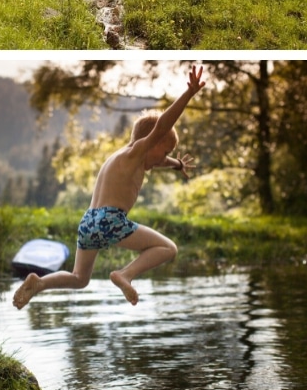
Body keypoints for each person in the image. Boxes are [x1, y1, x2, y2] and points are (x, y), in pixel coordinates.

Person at [13, 65, 207, 309]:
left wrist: (176, 164)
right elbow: (161, 127)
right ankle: (125, 274)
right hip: (110, 220)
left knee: (79, 278)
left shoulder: (122, 157)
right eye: (166, 150)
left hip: (88, 222)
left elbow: (157, 160)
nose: (165, 156)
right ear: (150, 142)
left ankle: (39, 283)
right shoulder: (137, 151)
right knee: (168, 248)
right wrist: (188, 94)